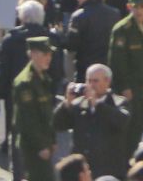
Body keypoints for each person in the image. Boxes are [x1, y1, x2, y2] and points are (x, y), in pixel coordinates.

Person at [50, 64, 130, 181]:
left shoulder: (119, 102)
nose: (91, 85)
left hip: (107, 170)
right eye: (89, 81)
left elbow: (121, 121)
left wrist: (97, 104)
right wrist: (67, 103)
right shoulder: (79, 104)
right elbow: (57, 124)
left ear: (107, 82)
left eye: (95, 81)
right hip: (83, 171)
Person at [107, 0, 143, 163]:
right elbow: (117, 61)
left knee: (138, 124)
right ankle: (122, 161)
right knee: (127, 125)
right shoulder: (122, 29)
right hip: (129, 85)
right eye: (135, 7)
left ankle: (131, 158)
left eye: (142, 7)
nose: (139, 11)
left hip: (142, 84)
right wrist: (123, 86)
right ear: (129, 7)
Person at [11, 36, 59, 181]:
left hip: (44, 141)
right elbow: (27, 119)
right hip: (32, 146)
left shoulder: (43, 78)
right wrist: (41, 146)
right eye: (45, 54)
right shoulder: (25, 83)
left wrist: (52, 139)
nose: (49, 58)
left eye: (50, 54)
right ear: (32, 54)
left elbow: (47, 113)